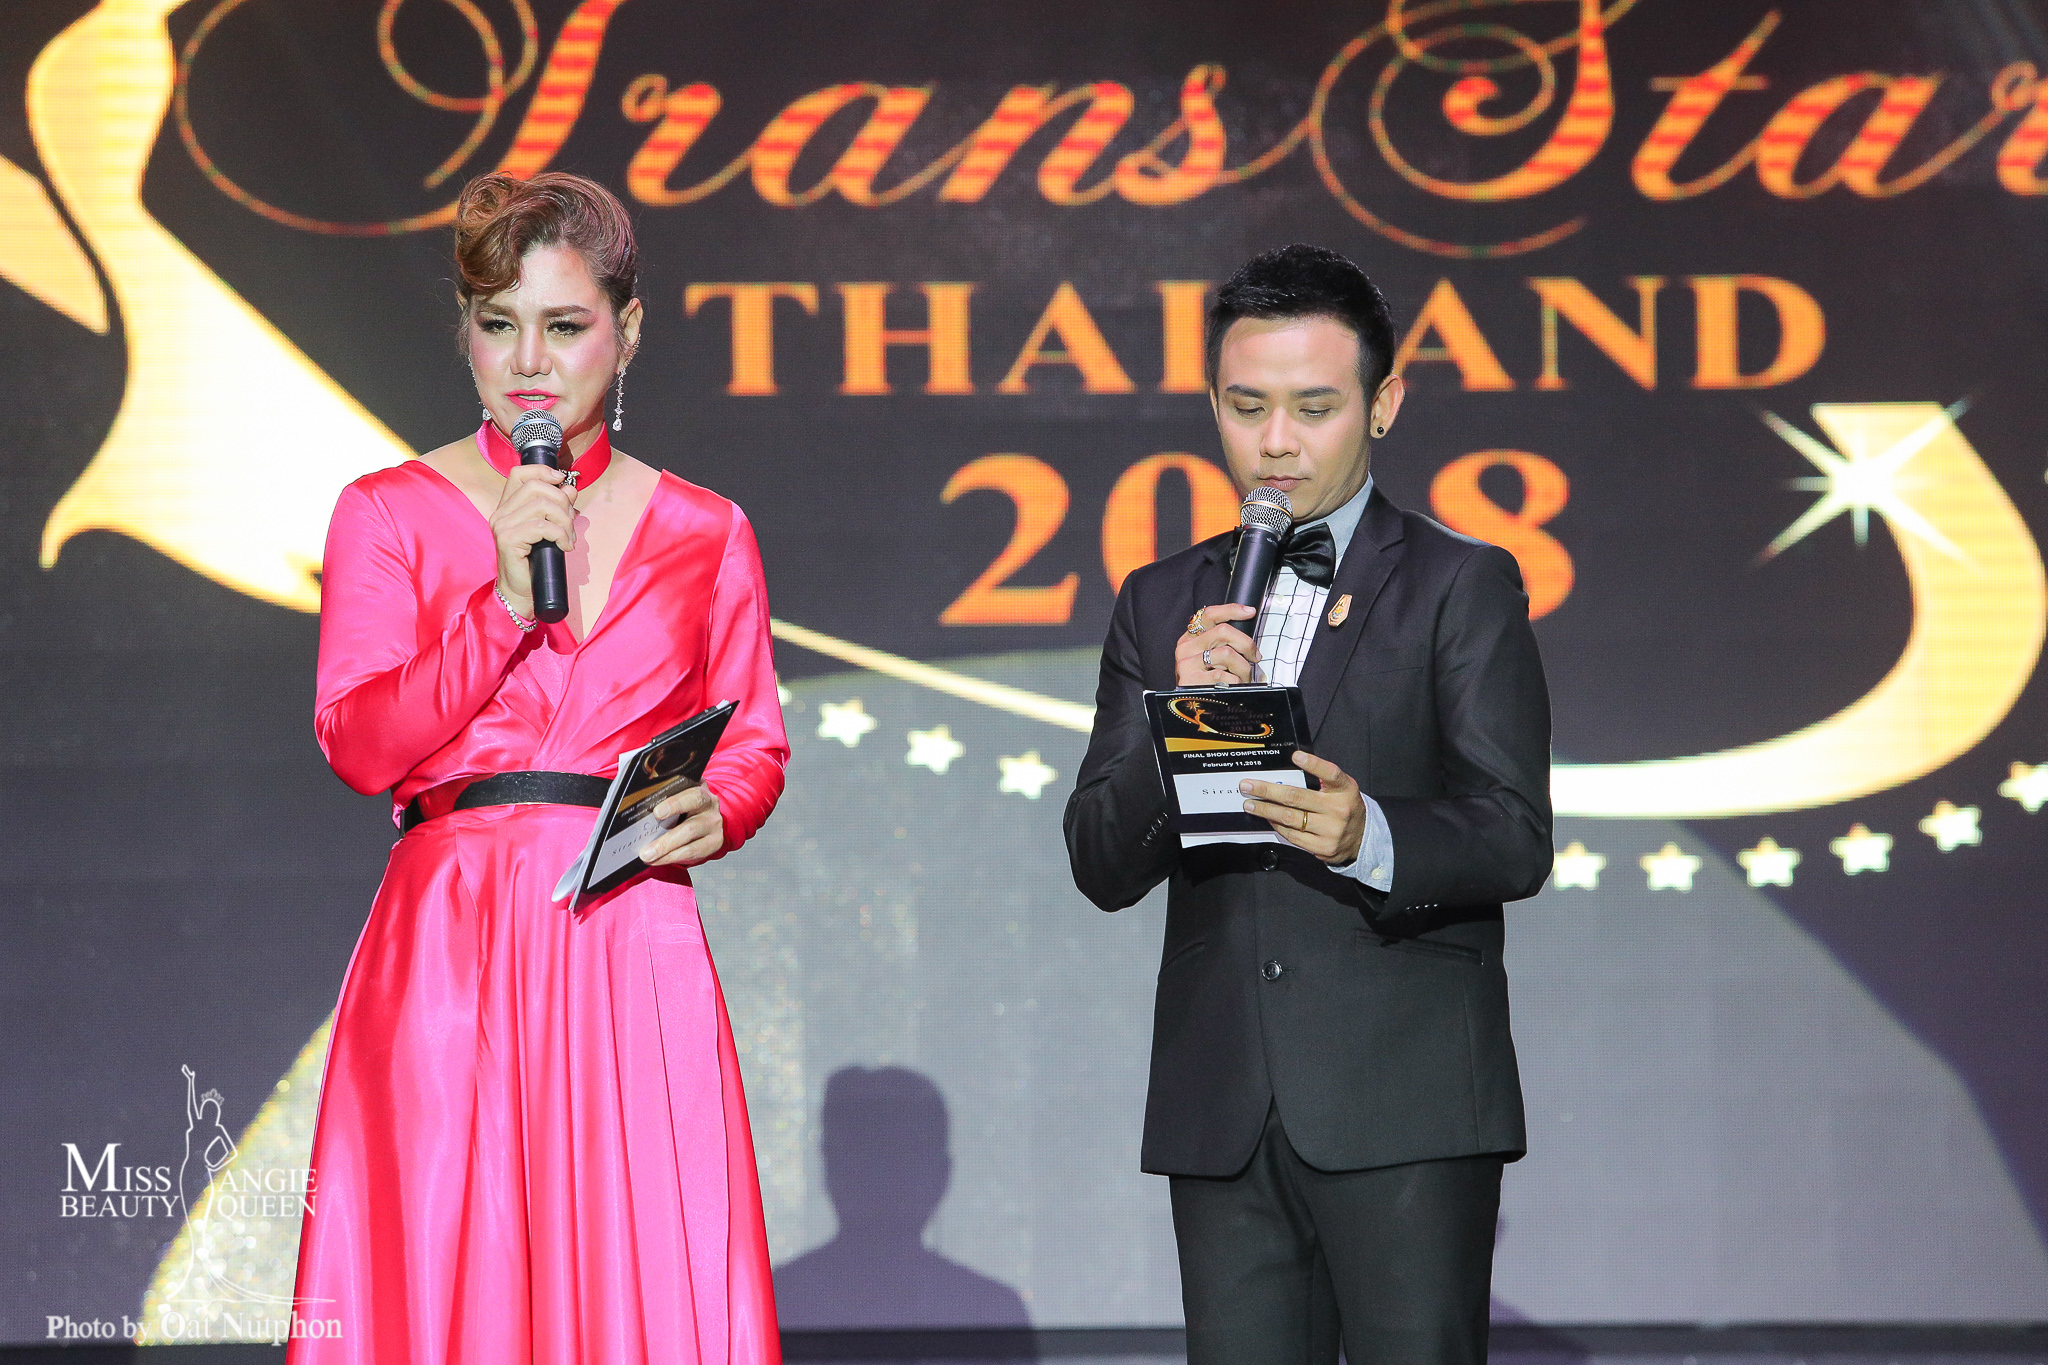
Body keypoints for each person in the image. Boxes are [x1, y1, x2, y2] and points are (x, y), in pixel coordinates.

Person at [292, 172, 788, 1364]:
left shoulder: (705, 530)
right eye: (497, 323)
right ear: (462, 332)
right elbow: (357, 744)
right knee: (447, 1262)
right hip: (450, 936)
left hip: (630, 936)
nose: (528, 362)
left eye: (563, 325)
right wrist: (502, 608)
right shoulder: (387, 512)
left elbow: (754, 742)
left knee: (637, 1265)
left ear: (627, 330)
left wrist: (720, 808)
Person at [1064, 244, 1552, 1365]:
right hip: (1223, 1103)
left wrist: (1371, 835)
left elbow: (1514, 832)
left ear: (1383, 405)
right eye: (1246, 407)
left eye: (1313, 408)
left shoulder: (1458, 582)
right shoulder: (1160, 600)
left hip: (1405, 1098)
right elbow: (1098, 859)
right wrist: (1173, 725)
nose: (1275, 442)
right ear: (1213, 406)